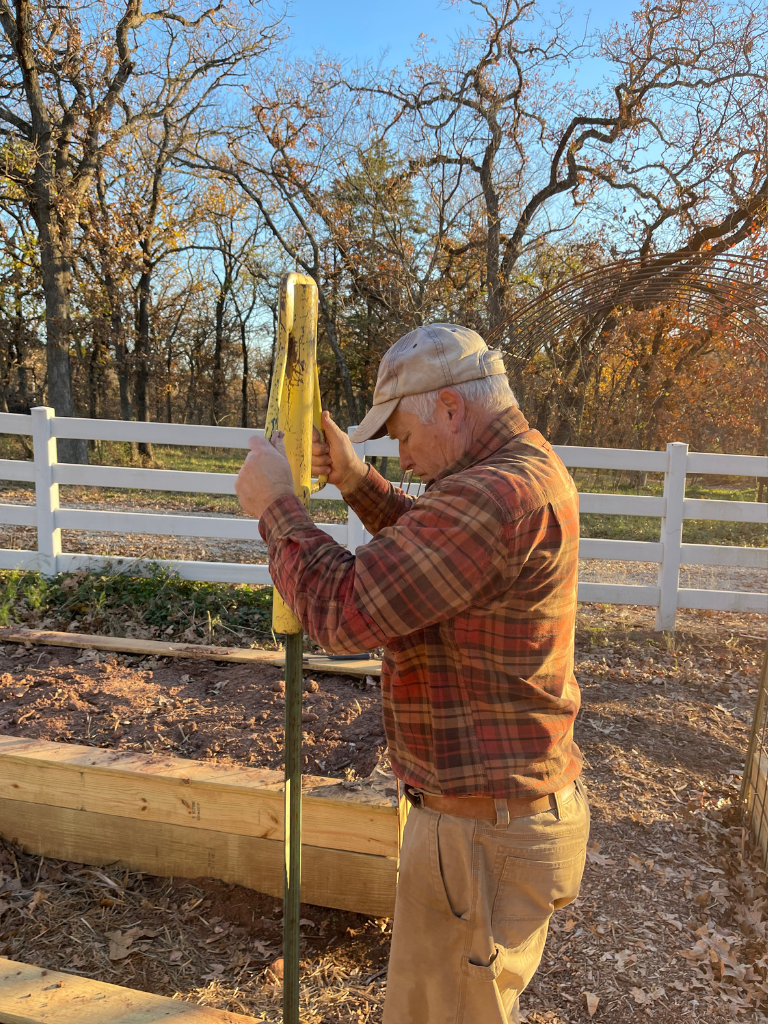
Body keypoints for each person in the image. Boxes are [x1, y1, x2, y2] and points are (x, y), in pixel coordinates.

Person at [235, 323, 589, 1024]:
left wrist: (277, 510)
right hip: (496, 823)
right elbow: (437, 548)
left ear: (451, 409)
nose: (401, 453)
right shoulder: (515, 473)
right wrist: (357, 480)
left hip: (479, 839)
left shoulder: (493, 496)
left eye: (398, 434)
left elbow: (343, 611)